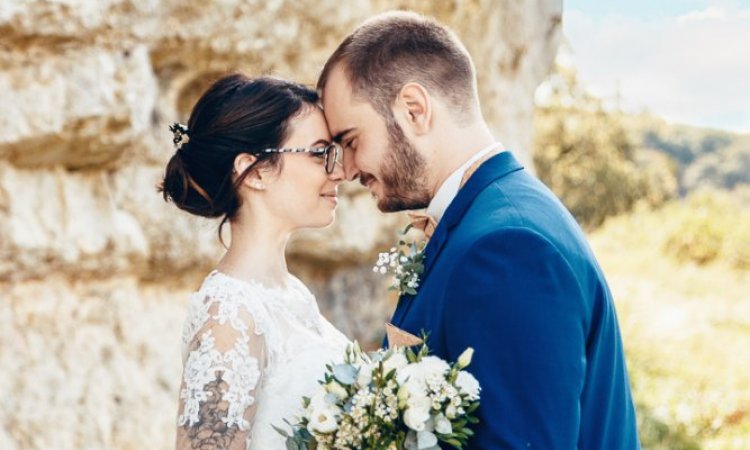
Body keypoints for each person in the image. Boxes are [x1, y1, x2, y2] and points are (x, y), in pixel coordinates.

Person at [318, 11, 641, 449]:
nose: (349, 168)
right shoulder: (488, 219)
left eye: (351, 140)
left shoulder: (509, 248)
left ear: (414, 110)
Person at [159, 73, 349, 449]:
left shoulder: (292, 294)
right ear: (256, 170)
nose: (339, 171)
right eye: (318, 153)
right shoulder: (229, 314)